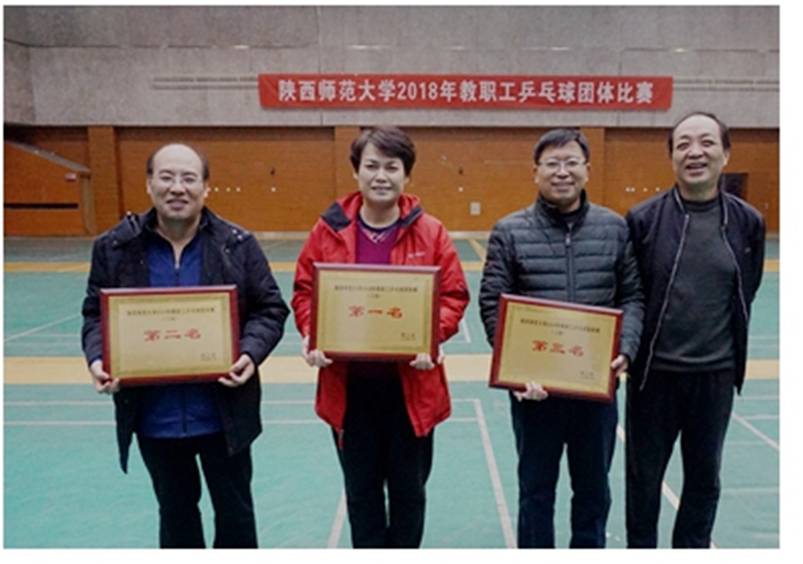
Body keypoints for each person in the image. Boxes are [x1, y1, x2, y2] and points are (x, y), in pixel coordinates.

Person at [81, 142, 289, 548]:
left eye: (189, 178)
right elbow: (95, 314)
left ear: (205, 187)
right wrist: (98, 358)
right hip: (154, 418)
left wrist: (249, 353)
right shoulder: (115, 248)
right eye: (167, 177)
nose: (178, 187)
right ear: (149, 184)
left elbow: (270, 308)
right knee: (175, 517)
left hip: (223, 414)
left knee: (236, 517)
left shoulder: (237, 244)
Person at [291, 126, 469, 548]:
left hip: (412, 390)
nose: (381, 176)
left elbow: (453, 295)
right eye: (372, 166)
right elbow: (305, 291)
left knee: (409, 495)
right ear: (357, 172)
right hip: (350, 390)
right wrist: (312, 331)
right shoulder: (327, 230)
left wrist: (430, 336)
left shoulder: (432, 232)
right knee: (362, 496)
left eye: (392, 167)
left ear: (407, 175)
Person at [479, 128, 644, 548]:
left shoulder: (615, 228)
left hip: (595, 389)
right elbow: (493, 303)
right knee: (535, 492)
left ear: (587, 169)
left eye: (571, 162)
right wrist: (515, 370)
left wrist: (626, 348)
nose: (562, 171)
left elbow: (632, 296)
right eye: (552, 163)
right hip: (536, 394)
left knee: (593, 492)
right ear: (535, 172)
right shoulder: (509, 231)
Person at [624, 111, 765, 548]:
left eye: (706, 142)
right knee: (643, 482)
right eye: (683, 144)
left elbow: (747, 287)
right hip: (654, 377)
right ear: (671, 157)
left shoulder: (748, 223)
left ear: (726, 154)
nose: (695, 152)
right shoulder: (643, 220)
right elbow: (632, 293)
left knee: (704, 480)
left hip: (715, 376)